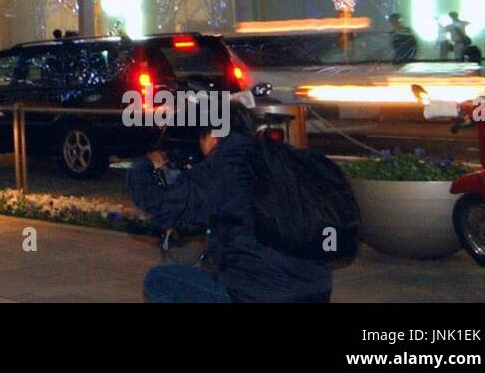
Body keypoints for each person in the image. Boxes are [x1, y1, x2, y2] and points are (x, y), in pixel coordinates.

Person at [128, 110, 333, 303]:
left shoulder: (225, 165)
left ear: (214, 137)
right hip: (317, 288)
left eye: (202, 137)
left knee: (160, 280)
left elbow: (158, 203)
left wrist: (144, 164)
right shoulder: (282, 160)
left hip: (264, 294)